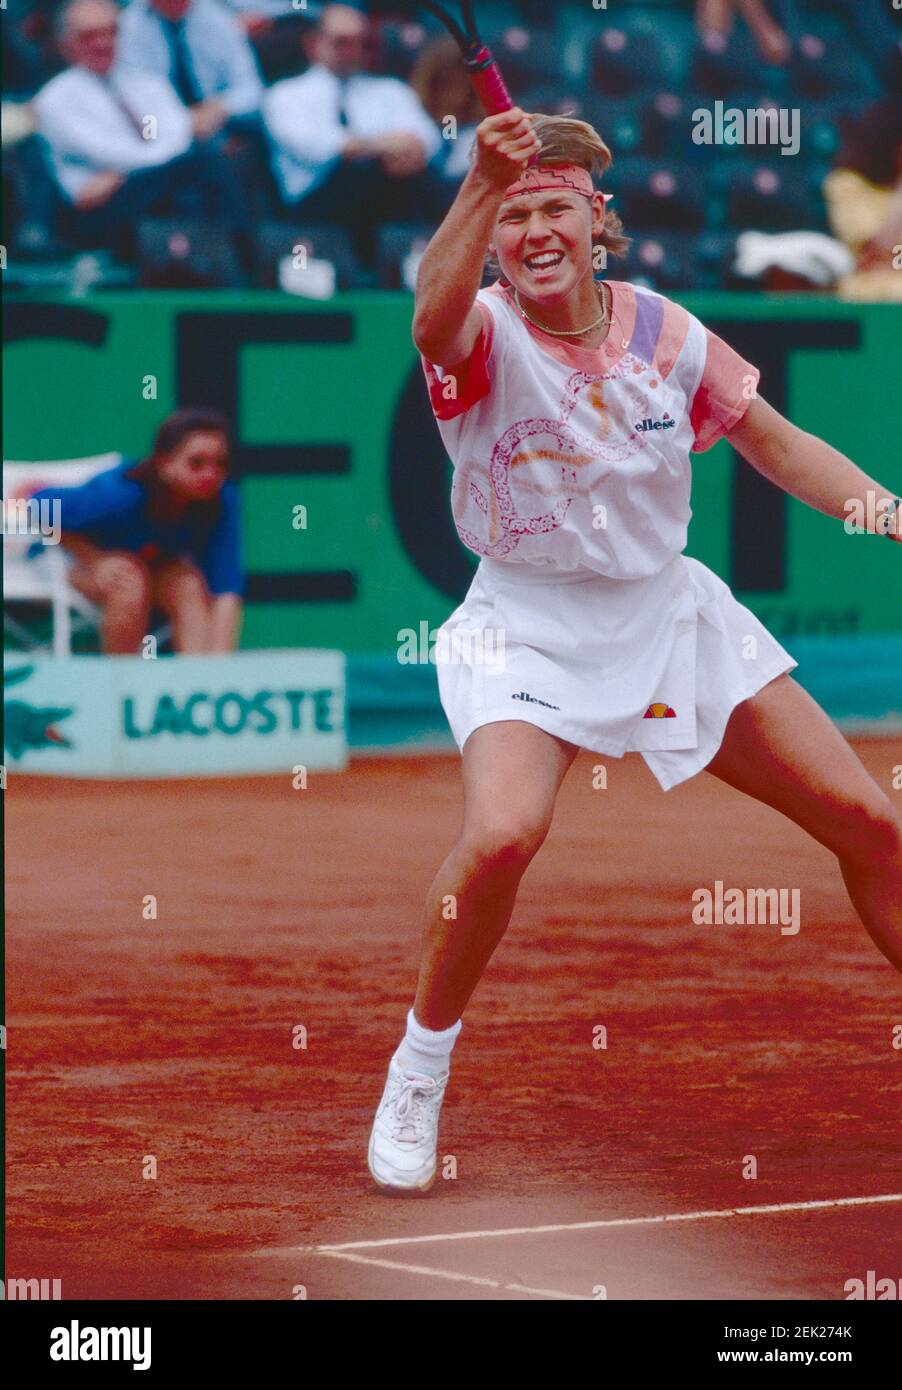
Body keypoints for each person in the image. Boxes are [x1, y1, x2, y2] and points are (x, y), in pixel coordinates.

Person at [367, 110, 902, 1193]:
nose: (532, 231)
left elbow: (779, 446)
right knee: (505, 832)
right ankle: (418, 1067)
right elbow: (428, 322)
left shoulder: (666, 329)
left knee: (869, 823)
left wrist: (889, 514)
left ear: (595, 220)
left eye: (552, 206)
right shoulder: (476, 330)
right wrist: (479, 184)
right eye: (512, 216)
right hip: (525, 622)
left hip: (667, 617)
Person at [33, 0, 250, 256]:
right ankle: (247, 259)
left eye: (110, 32)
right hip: (95, 209)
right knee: (202, 166)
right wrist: (162, 164)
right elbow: (109, 152)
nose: (102, 43)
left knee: (205, 174)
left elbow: (179, 135)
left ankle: (212, 264)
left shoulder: (146, 83)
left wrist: (125, 173)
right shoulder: (54, 99)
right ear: (65, 44)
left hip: (142, 188)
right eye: (89, 36)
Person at [28, 410, 244, 654]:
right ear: (164, 463)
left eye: (221, 463)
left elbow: (226, 591)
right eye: (196, 463)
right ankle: (126, 684)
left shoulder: (220, 499)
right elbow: (37, 503)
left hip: (149, 561)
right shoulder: (122, 495)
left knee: (188, 585)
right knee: (129, 580)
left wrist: (221, 674)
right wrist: (93, 557)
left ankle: (202, 683)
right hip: (67, 559)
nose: (210, 474)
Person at [262, 2, 449, 264]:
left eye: (362, 42)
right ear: (313, 43)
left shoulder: (390, 90)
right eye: (342, 42)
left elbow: (427, 139)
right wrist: (384, 146)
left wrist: (411, 152)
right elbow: (315, 147)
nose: (352, 51)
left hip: (391, 194)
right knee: (357, 172)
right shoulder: (285, 94)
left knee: (431, 179)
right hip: (316, 205)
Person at [117, 0, 265, 141]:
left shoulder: (217, 16)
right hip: (163, 130)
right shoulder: (127, 29)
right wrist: (186, 122)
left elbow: (251, 89)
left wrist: (219, 108)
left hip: (223, 121)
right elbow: (138, 103)